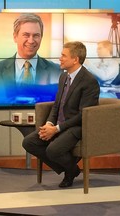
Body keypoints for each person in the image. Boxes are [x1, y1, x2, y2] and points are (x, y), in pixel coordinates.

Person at [22, 41, 100, 188]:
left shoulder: (89, 81)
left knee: (53, 150)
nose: (60, 58)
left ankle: (69, 171)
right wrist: (49, 123)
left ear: (75, 59)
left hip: (77, 127)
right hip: (59, 124)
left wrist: (57, 129)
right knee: (29, 142)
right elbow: (57, 105)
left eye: (64, 55)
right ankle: (72, 169)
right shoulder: (64, 77)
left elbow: (83, 115)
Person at [0, 13, 62, 104]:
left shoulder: (56, 70)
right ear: (15, 37)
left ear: (41, 37)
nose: (31, 41)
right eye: (26, 35)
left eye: (36, 35)